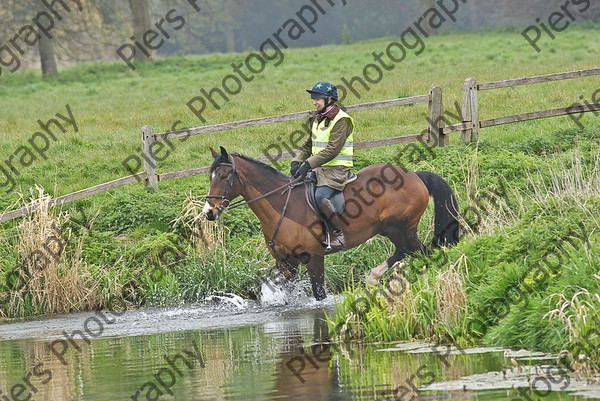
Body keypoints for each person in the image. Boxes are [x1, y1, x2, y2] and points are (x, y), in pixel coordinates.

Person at [291, 81, 355, 253]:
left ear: (329, 99)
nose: (314, 102)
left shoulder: (342, 120)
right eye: (314, 98)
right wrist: (296, 161)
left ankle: (339, 234)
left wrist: (308, 164)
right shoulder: (317, 118)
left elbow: (333, 150)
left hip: (337, 169)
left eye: (317, 98)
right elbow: (307, 145)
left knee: (321, 196)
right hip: (320, 168)